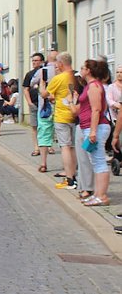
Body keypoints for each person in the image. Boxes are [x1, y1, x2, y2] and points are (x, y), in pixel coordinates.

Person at [70, 59, 112, 206]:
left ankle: (102, 195)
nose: (80, 70)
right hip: (90, 127)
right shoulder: (90, 86)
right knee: (96, 161)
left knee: (99, 162)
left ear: (88, 71)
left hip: (96, 127)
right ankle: (98, 194)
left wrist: (93, 131)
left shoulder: (94, 86)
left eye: (83, 68)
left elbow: (96, 109)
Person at [42, 52, 78, 190]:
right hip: (76, 115)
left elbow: (44, 94)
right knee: (73, 147)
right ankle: (73, 174)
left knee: (65, 147)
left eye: (57, 63)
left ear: (61, 63)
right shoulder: (76, 76)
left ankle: (69, 179)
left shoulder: (59, 78)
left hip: (62, 115)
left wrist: (42, 84)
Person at [23, 53, 44, 157]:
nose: (34, 62)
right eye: (33, 61)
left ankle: (47, 146)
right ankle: (36, 147)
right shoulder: (29, 74)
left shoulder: (45, 72)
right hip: (34, 102)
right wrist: (29, 102)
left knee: (44, 126)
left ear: (41, 62)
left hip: (44, 103)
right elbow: (25, 89)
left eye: (36, 60)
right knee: (34, 126)